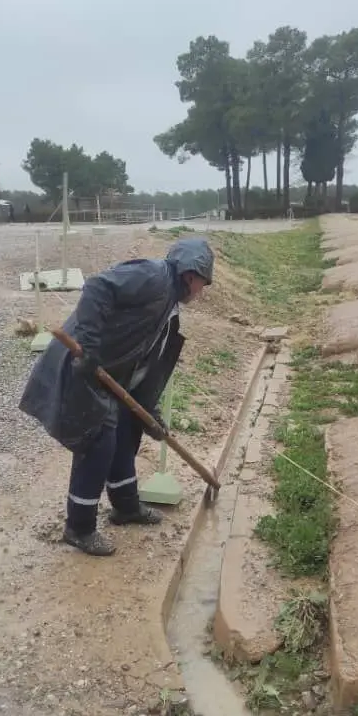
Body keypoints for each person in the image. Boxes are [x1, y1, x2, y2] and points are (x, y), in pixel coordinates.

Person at [19, 237, 214, 556]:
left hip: (109, 374)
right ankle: (79, 528)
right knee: (98, 441)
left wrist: (147, 412)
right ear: (192, 275)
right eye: (204, 283)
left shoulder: (167, 305)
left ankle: (126, 507)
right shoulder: (153, 277)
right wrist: (92, 349)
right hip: (84, 364)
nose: (202, 291)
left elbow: (146, 361)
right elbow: (98, 287)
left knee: (126, 431)